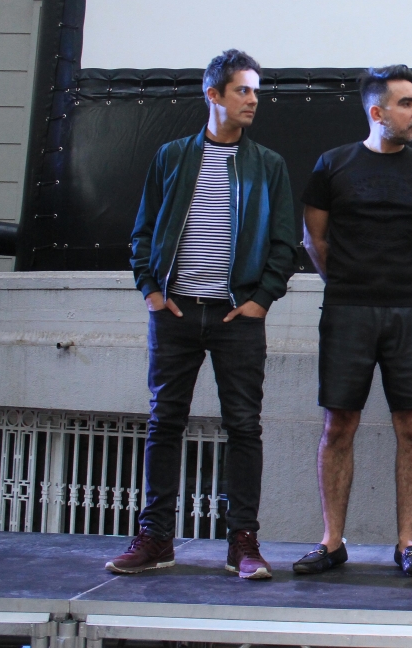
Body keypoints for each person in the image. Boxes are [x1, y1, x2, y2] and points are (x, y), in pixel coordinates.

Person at [109, 49, 297, 579]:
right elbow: (143, 231)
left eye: (256, 91)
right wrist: (150, 290)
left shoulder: (268, 164)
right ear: (213, 94)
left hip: (238, 318)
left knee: (244, 427)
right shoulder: (172, 156)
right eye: (243, 90)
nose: (253, 100)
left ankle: (243, 543)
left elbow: (285, 244)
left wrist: (261, 299)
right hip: (174, 313)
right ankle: (155, 538)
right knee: (164, 423)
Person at [295, 65, 412, 578]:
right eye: (407, 103)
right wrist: (350, 283)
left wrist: (403, 284)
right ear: (377, 111)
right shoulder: (333, 165)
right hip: (346, 311)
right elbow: (313, 240)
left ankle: (407, 543)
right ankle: (331, 542)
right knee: (338, 425)